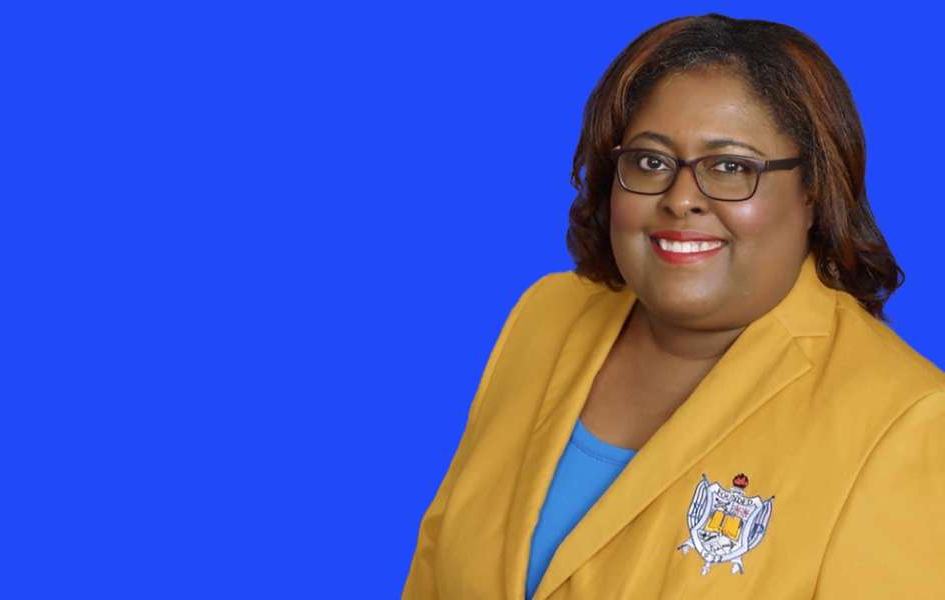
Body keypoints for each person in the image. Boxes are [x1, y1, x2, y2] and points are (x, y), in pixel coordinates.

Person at [401, 13, 945, 600]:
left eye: (731, 167)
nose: (681, 199)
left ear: (813, 189)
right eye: (651, 161)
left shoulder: (904, 423)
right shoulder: (545, 317)